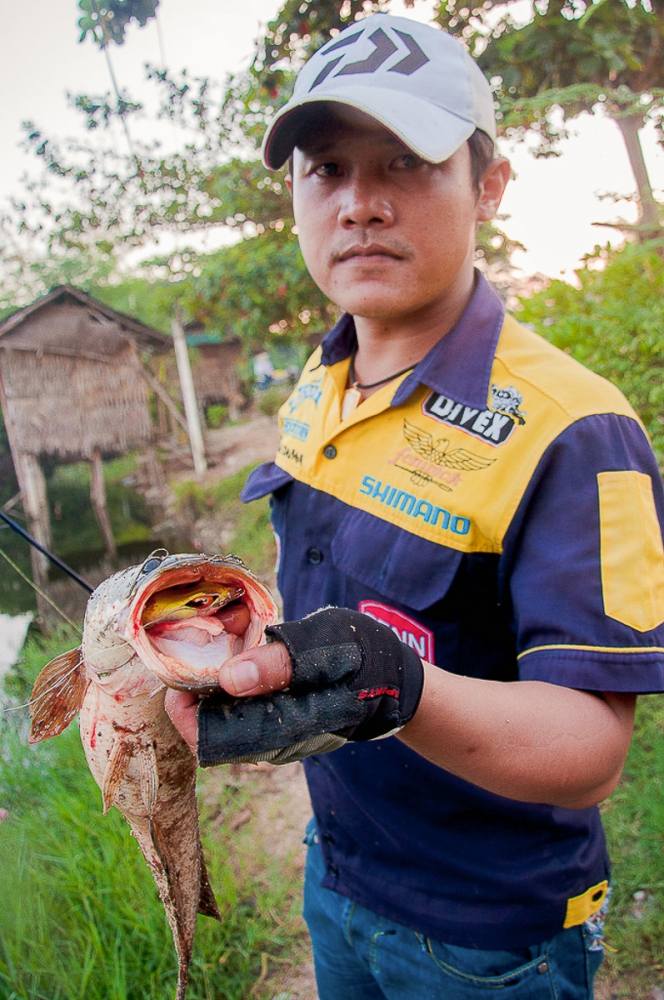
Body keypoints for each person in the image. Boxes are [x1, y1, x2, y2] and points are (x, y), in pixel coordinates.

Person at [166, 14, 664, 998]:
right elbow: (315, 593)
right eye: (327, 169)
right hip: (336, 872)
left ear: (487, 183)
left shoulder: (575, 431)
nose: (359, 204)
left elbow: (590, 753)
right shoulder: (318, 380)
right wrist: (236, 658)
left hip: (486, 937)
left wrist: (398, 685)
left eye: (405, 163)